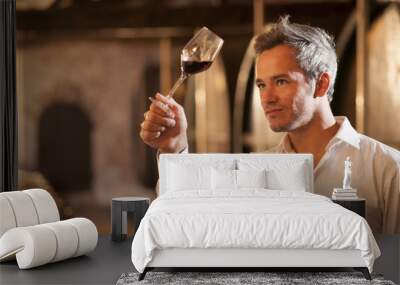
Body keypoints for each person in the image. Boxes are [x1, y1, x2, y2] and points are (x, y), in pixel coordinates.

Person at [139, 16, 400, 234]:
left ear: (321, 83)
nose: (267, 97)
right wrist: (174, 149)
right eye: (262, 85)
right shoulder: (257, 167)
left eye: (281, 81)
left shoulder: (388, 169)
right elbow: (186, 218)